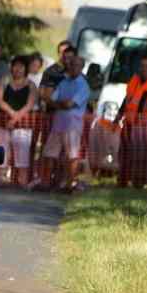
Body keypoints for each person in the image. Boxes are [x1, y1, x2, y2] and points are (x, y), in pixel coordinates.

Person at [41, 55, 90, 191]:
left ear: (81, 67)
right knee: (50, 153)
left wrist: (59, 104)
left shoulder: (83, 85)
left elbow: (68, 104)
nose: (73, 67)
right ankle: (46, 183)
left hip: (73, 125)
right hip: (58, 123)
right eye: (71, 64)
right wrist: (62, 104)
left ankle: (70, 185)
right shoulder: (63, 82)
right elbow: (50, 100)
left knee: (72, 155)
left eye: (76, 65)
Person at [0, 55, 37, 187]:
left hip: (23, 123)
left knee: (22, 153)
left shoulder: (31, 85)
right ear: (11, 67)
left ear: (26, 69)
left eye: (21, 66)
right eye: (15, 66)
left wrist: (15, 118)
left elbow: (30, 104)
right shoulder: (4, 81)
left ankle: (22, 183)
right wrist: (12, 114)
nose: (18, 69)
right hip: (2, 120)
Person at [115, 54, 147, 124]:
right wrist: (116, 120)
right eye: (142, 66)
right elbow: (125, 102)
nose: (144, 69)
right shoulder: (134, 80)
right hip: (127, 124)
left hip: (143, 128)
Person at [39, 41, 76, 107]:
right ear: (58, 54)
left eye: (67, 52)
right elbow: (42, 93)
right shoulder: (50, 71)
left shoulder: (76, 70)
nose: (65, 55)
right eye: (62, 52)